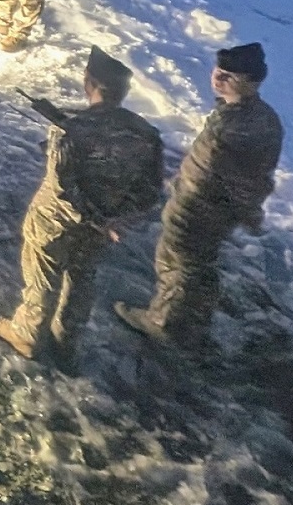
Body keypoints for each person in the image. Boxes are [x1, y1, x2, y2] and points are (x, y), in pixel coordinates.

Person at [0, 48, 164, 364]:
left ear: (88, 82)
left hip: (56, 223)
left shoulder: (70, 130)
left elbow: (62, 187)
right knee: (81, 278)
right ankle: (66, 340)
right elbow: (151, 191)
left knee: (43, 277)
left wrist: (93, 216)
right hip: (102, 230)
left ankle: (27, 335)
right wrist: (115, 218)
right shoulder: (146, 134)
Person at [117, 42, 283, 348]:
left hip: (201, 208)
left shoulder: (240, 126)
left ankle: (164, 323)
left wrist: (223, 205)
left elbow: (238, 178)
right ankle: (194, 319)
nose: (218, 80)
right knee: (198, 264)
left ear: (253, 82)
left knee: (177, 262)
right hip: (207, 204)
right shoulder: (256, 116)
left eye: (229, 77)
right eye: (218, 72)